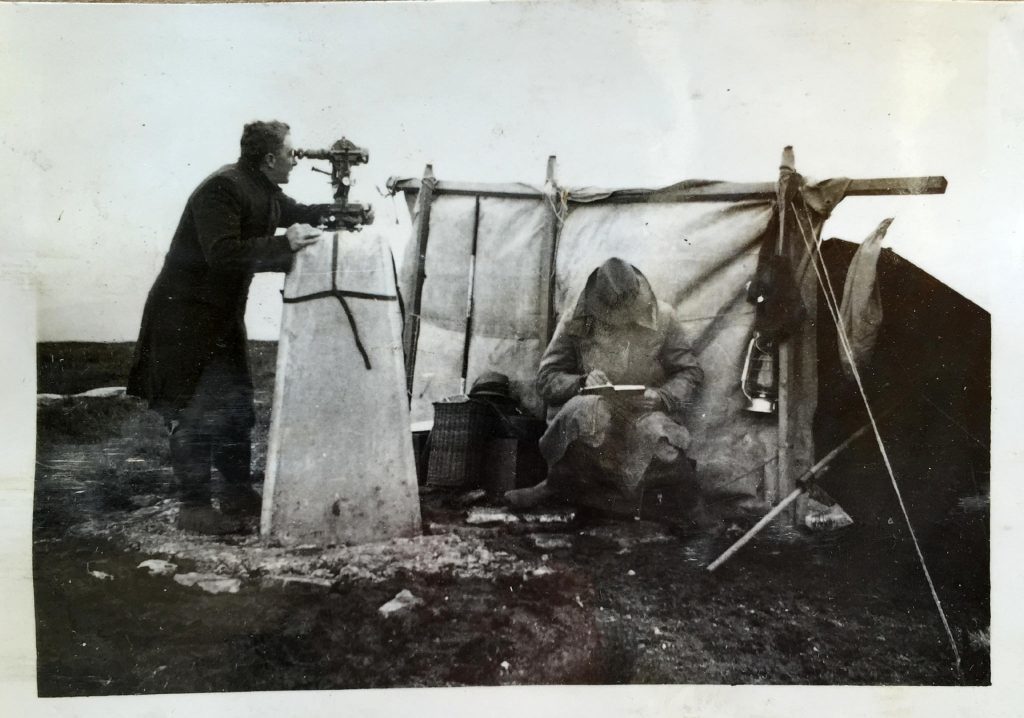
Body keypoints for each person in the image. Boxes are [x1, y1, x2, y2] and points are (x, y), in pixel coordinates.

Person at [127, 121, 324, 535]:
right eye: (291, 154)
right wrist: (285, 244)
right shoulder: (223, 188)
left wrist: (339, 213)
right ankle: (194, 507)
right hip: (184, 316)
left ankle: (237, 492)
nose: (296, 161)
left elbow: (296, 214)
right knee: (194, 410)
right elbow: (223, 253)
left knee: (236, 407)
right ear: (270, 158)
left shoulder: (263, 189)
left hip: (220, 316)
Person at [505, 257, 704, 522]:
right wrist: (581, 382)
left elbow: (690, 372)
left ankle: (683, 510)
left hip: (641, 414)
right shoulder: (577, 319)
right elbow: (546, 378)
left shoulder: (663, 318)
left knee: (658, 435)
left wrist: (662, 396)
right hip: (597, 419)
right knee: (587, 410)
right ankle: (555, 486)